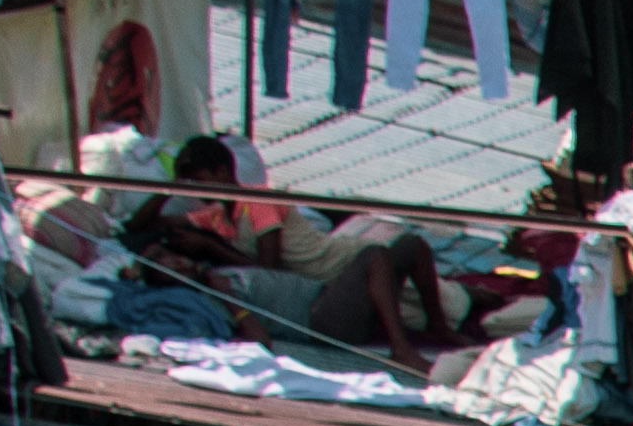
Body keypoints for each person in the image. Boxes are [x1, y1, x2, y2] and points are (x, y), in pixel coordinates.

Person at [131, 134, 461, 367]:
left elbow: (268, 267)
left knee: (407, 248)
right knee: (440, 285)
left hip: (342, 265)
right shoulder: (214, 216)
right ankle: (429, 325)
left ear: (222, 172)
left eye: (200, 181)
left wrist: (209, 248)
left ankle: (413, 341)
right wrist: (168, 187)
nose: (197, 191)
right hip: (328, 290)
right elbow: (139, 226)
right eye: (191, 185)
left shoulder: (257, 201)